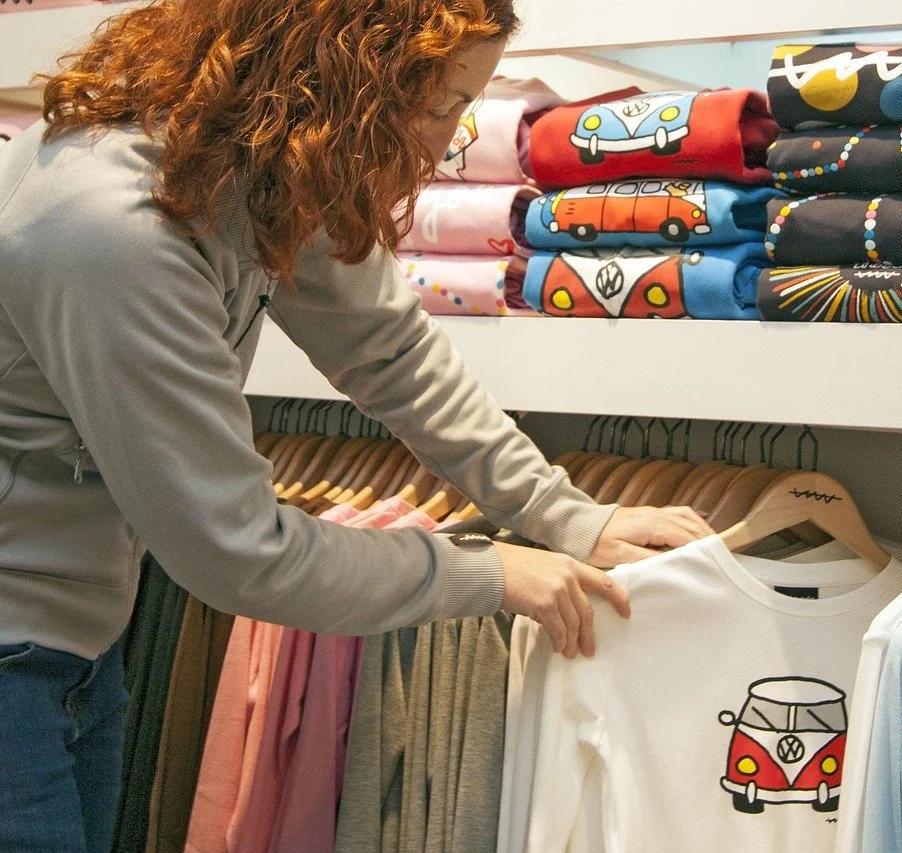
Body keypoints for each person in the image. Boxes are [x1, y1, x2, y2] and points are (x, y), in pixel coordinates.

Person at [0, 0, 714, 848]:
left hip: (74, 647)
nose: (445, 140)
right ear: (353, 77)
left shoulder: (252, 167)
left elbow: (390, 352)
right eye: (444, 106)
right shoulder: (112, 228)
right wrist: (489, 571)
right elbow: (238, 553)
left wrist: (569, 516)